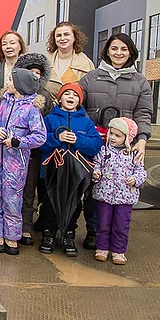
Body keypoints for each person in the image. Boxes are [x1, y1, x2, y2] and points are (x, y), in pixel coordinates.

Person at [79, 33, 153, 250]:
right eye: (114, 48)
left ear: (130, 52)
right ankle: (94, 232)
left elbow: (144, 113)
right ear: (107, 51)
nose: (118, 53)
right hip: (96, 143)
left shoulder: (140, 81)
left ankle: (117, 237)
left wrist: (142, 139)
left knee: (120, 192)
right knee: (94, 188)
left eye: (123, 49)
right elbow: (78, 106)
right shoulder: (91, 78)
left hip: (125, 148)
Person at [0, 68, 47, 255]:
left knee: (12, 199)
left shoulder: (32, 109)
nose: (8, 82)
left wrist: (18, 142)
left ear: (21, 85)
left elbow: (40, 136)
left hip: (16, 162)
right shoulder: (3, 102)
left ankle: (12, 236)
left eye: (11, 80)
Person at [37, 83, 102, 256]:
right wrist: (56, 138)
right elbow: (39, 142)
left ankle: (68, 234)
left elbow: (96, 145)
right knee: (50, 204)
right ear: (59, 98)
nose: (71, 97)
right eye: (67, 94)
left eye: (75, 95)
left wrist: (78, 140)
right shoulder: (50, 119)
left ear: (79, 100)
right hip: (51, 172)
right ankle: (49, 234)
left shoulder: (86, 123)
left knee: (74, 206)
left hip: (76, 174)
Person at [91, 117, 147, 265]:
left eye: (118, 135)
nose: (113, 138)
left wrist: (135, 179)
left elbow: (141, 171)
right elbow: (96, 165)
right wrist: (96, 174)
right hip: (105, 194)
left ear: (127, 138)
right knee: (103, 222)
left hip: (125, 197)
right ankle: (102, 248)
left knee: (121, 224)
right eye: (111, 134)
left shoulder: (133, 153)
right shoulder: (103, 150)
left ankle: (118, 250)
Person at [12, 52, 55, 245]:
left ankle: (26, 227)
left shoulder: (44, 96)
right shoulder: (11, 94)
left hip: (34, 152)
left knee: (30, 190)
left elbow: (48, 123)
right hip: (13, 151)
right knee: (15, 191)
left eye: (38, 72)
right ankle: (14, 226)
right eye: (31, 72)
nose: (35, 75)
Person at [46, 21, 93, 96]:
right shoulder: (44, 62)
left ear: (74, 37)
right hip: (48, 107)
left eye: (66, 34)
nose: (62, 38)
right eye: (58, 35)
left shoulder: (86, 63)